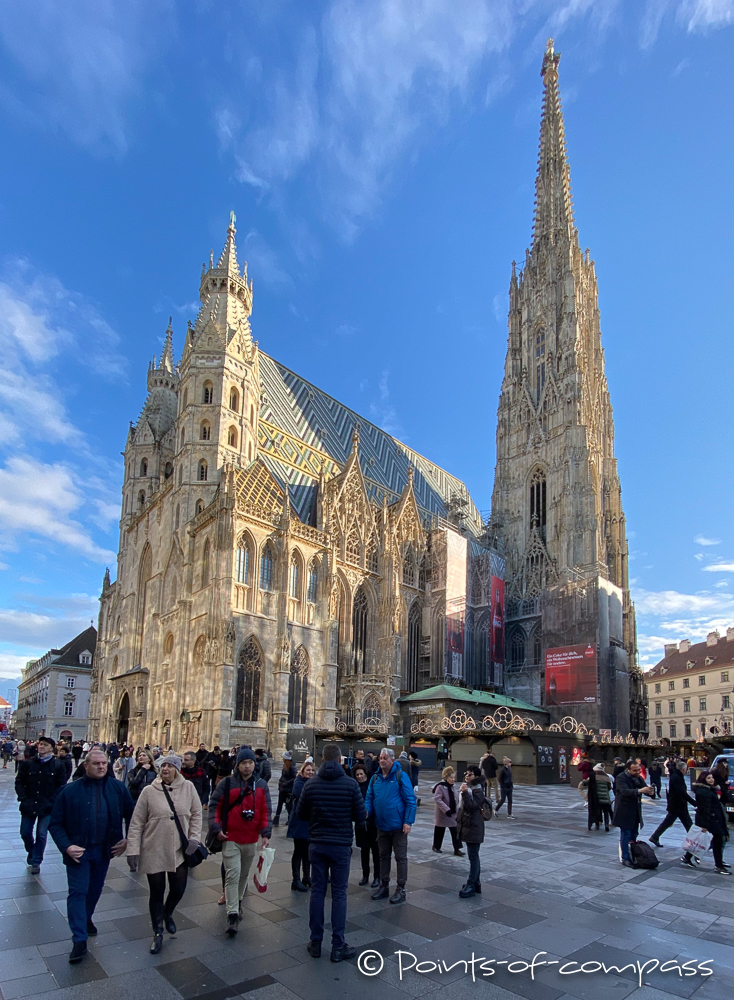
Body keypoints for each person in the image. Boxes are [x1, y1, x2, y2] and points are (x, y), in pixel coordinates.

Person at [49, 748, 134, 964]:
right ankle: (79, 939)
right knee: (78, 892)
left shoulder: (117, 788)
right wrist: (66, 846)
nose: (101, 767)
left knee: (95, 889)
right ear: (85, 765)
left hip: (104, 850)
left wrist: (127, 840)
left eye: (104, 763)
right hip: (79, 852)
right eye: (96, 763)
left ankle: (86, 918)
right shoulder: (69, 791)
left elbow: (133, 815)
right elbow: (55, 824)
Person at [296, 743, 366, 962]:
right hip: (340, 846)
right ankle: (338, 945)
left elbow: (300, 813)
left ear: (322, 760)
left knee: (317, 892)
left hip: (317, 844)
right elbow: (361, 815)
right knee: (339, 894)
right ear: (340, 760)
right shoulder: (351, 784)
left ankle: (315, 942)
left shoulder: (311, 784)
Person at [126, 754, 202, 953]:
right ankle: (157, 931)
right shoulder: (149, 791)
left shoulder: (188, 788)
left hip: (180, 848)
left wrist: (194, 837)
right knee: (156, 892)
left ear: (177, 769)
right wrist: (133, 850)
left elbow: (196, 814)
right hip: (154, 848)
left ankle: (167, 913)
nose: (165, 769)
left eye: (170, 766)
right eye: (163, 766)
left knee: (178, 889)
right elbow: (136, 823)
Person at [208, 747, 272, 936]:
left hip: (251, 838)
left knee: (243, 875)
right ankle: (233, 914)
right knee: (233, 875)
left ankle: (238, 902)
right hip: (231, 837)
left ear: (254, 764)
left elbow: (265, 809)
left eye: (250, 763)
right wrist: (216, 828)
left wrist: (266, 834)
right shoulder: (227, 783)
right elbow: (214, 806)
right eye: (244, 763)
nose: (247, 766)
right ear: (238, 765)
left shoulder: (260, 785)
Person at [365, 747, 416, 904]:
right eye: (380, 758)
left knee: (400, 858)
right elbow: (369, 798)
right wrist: (366, 812)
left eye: (385, 758)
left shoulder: (401, 776)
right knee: (383, 856)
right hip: (381, 825)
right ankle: (384, 885)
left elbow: (410, 800)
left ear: (392, 760)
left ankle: (401, 889)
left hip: (398, 826)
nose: (381, 760)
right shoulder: (375, 778)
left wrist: (408, 821)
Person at [15, 735, 67, 874]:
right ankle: (31, 852)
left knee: (42, 834)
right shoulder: (28, 763)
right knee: (25, 832)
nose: (42, 746)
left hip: (47, 806)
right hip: (29, 804)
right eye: (41, 744)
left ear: (52, 748)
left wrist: (53, 801)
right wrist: (23, 798)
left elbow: (61, 786)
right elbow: (19, 781)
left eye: (45, 744)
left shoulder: (58, 765)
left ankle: (36, 861)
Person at [681, 770, 730, 874]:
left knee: (702, 841)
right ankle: (719, 865)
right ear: (703, 780)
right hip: (711, 820)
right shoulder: (704, 792)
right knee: (717, 842)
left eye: (712, 777)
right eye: (708, 778)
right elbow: (704, 809)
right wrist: (703, 825)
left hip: (714, 819)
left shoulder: (710, 790)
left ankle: (687, 857)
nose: (711, 779)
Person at [612, 759, 654, 867]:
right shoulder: (621, 777)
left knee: (634, 834)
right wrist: (640, 791)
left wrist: (650, 792)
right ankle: (625, 858)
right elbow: (625, 791)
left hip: (635, 810)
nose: (638, 772)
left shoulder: (638, 778)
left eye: (639, 770)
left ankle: (633, 854)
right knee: (626, 834)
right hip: (624, 810)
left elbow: (644, 789)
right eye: (635, 770)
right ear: (628, 769)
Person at [649, 760, 695, 849]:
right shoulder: (677, 777)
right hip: (678, 805)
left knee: (672, 822)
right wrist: (693, 802)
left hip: (677, 805)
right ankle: (695, 841)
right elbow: (682, 792)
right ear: (684, 769)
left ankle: (654, 837)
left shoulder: (675, 776)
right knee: (687, 824)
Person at [457, 766, 488, 898]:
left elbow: (471, 807)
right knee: (474, 856)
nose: (467, 776)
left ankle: (471, 884)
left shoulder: (477, 790)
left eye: (470, 774)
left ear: (475, 776)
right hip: (470, 825)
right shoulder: (471, 788)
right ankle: (476, 884)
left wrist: (464, 793)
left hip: (474, 827)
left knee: (473, 856)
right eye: (466, 773)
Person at [287, 760, 315, 890]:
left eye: (312, 770)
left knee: (307, 851)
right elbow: (301, 795)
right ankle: (296, 880)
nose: (310, 772)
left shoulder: (311, 783)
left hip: (308, 822)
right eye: (308, 770)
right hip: (299, 821)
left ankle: (306, 876)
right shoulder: (298, 782)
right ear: (302, 771)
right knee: (298, 851)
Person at [352, 762, 380, 885]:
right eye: (357, 774)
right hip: (361, 825)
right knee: (364, 851)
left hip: (373, 823)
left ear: (365, 773)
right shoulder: (354, 787)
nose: (359, 776)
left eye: (361, 774)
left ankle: (377, 877)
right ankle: (365, 875)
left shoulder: (372, 784)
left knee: (376, 851)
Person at [432, 766, 464, 856]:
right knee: (439, 830)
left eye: (454, 777)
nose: (453, 779)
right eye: (451, 777)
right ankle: (436, 846)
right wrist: (446, 809)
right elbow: (438, 799)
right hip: (443, 814)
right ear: (446, 777)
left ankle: (457, 849)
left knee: (455, 831)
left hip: (453, 813)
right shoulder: (440, 787)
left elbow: (456, 798)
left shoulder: (453, 787)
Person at [274, 751, 296, 826]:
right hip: (283, 788)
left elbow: (294, 777)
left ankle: (290, 819)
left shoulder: (292, 767)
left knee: (288, 805)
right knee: (280, 804)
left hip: (288, 789)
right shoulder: (285, 766)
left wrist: (286, 783)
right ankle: (276, 819)